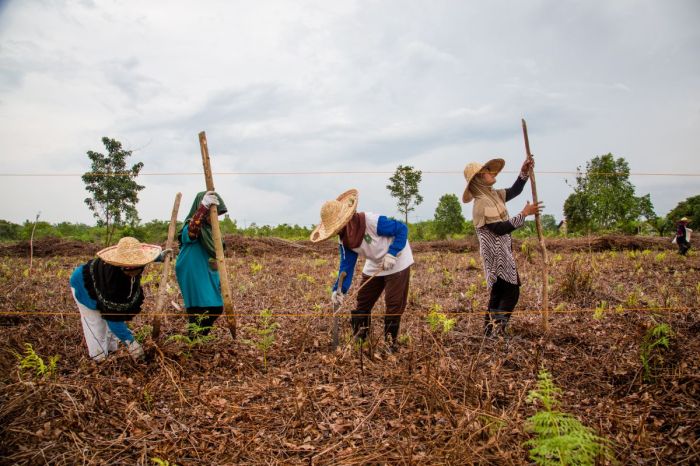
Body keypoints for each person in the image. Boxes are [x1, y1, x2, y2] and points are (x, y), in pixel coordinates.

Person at [310, 189, 414, 349]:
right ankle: (360, 341)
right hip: (374, 262)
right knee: (363, 301)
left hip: (397, 258)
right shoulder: (344, 241)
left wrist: (392, 253)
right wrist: (339, 290)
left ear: (346, 218)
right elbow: (346, 267)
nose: (338, 231)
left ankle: (390, 344)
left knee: (393, 303)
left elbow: (402, 229)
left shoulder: (372, 221)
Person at [462, 157, 542, 336]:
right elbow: (499, 229)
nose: (492, 173)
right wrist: (524, 214)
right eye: (487, 171)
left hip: (502, 252)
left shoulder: (494, 195)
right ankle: (497, 331)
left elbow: (515, 190)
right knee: (510, 292)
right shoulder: (482, 202)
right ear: (479, 179)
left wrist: (524, 172)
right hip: (496, 255)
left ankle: (490, 332)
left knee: (499, 293)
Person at [70, 237, 164, 362]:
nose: (133, 274)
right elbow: (113, 317)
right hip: (83, 285)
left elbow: (144, 258)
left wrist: (160, 257)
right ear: (121, 265)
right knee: (97, 324)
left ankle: (111, 351)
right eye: (129, 270)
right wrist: (131, 343)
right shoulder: (112, 283)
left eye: (137, 269)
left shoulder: (136, 261)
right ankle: (99, 359)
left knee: (111, 330)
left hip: (105, 286)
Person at [175, 190, 227, 335]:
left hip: (208, 270)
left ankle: (198, 337)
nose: (213, 216)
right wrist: (203, 207)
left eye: (215, 213)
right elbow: (192, 232)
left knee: (216, 308)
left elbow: (218, 252)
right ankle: (193, 341)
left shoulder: (212, 231)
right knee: (199, 309)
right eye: (211, 212)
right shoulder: (191, 225)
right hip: (191, 270)